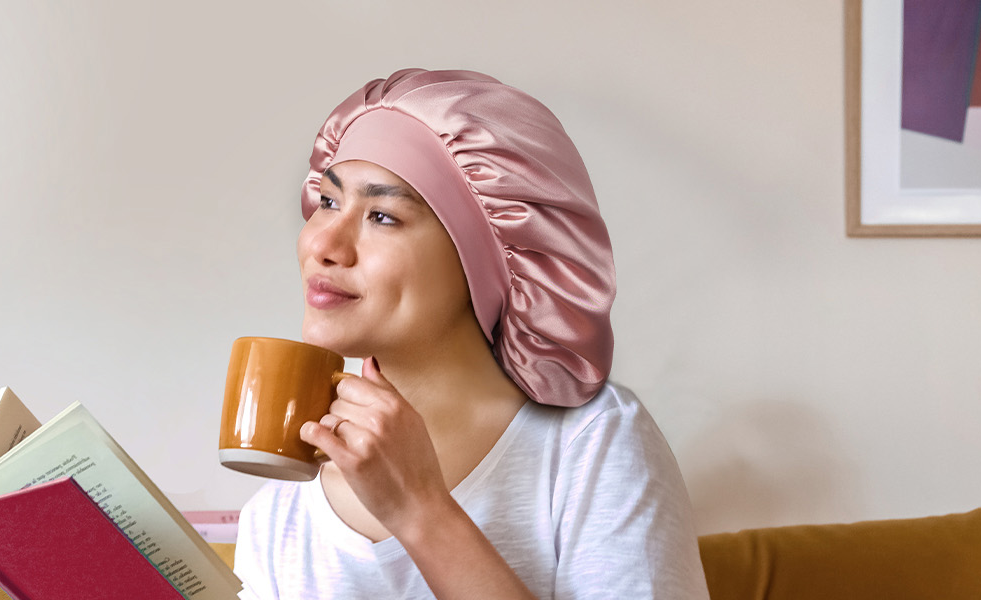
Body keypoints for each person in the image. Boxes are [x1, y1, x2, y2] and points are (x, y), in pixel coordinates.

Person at [233, 69, 710, 599]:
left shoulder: (589, 445)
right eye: (327, 201)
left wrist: (420, 511)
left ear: (486, 257)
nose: (323, 244)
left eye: (383, 216)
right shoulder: (278, 512)